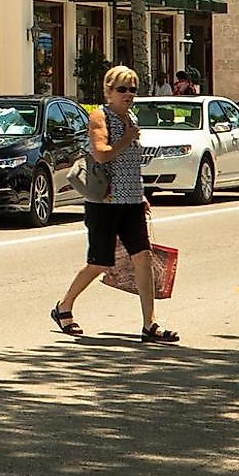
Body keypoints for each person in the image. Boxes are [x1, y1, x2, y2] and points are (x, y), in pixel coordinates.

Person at [54, 63, 177, 343]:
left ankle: (150, 324)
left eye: (132, 89)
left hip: (131, 200)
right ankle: (63, 307)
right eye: (122, 89)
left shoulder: (131, 117)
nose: (128, 94)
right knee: (99, 262)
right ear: (108, 91)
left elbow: (131, 164)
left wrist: (141, 193)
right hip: (105, 203)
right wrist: (126, 139)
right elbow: (101, 155)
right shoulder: (100, 116)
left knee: (143, 258)